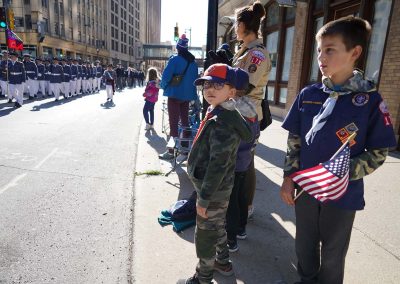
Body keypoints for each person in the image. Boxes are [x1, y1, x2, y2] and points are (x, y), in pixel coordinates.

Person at [280, 17, 397, 284]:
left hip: (342, 194)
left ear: (354, 52)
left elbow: (379, 151)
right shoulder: (309, 94)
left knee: (333, 253)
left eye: (330, 49)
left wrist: (341, 173)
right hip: (307, 188)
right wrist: (289, 177)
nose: (321, 56)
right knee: (304, 245)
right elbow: (294, 141)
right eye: (319, 50)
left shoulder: (369, 101)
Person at [184, 64, 252, 284]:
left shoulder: (224, 122)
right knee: (217, 226)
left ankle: (203, 277)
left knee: (205, 234)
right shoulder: (217, 110)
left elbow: (218, 165)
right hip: (213, 188)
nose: (210, 89)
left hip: (212, 190)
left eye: (218, 85)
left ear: (231, 92)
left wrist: (203, 198)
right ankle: (222, 262)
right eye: (206, 84)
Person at [231, 1, 272, 219]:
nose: (234, 29)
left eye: (236, 24)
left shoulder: (257, 54)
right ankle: (238, 205)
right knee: (238, 161)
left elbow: (244, 87)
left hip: (247, 114)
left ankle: (245, 208)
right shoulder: (244, 51)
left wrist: (222, 80)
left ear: (245, 25)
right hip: (238, 112)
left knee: (245, 164)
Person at [159, 34, 198, 160]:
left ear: (178, 48)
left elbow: (165, 77)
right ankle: (184, 151)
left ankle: (171, 152)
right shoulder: (193, 63)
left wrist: (163, 87)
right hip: (187, 96)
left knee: (173, 124)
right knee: (185, 122)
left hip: (174, 94)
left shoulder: (174, 60)